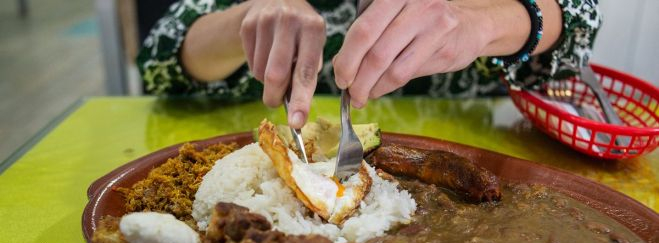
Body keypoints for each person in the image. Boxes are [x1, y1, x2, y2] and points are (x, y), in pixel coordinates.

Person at [137, 0, 601, 128]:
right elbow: (161, 58)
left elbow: (579, 18)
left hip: (478, 146)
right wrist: (245, 18)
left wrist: (486, 22)